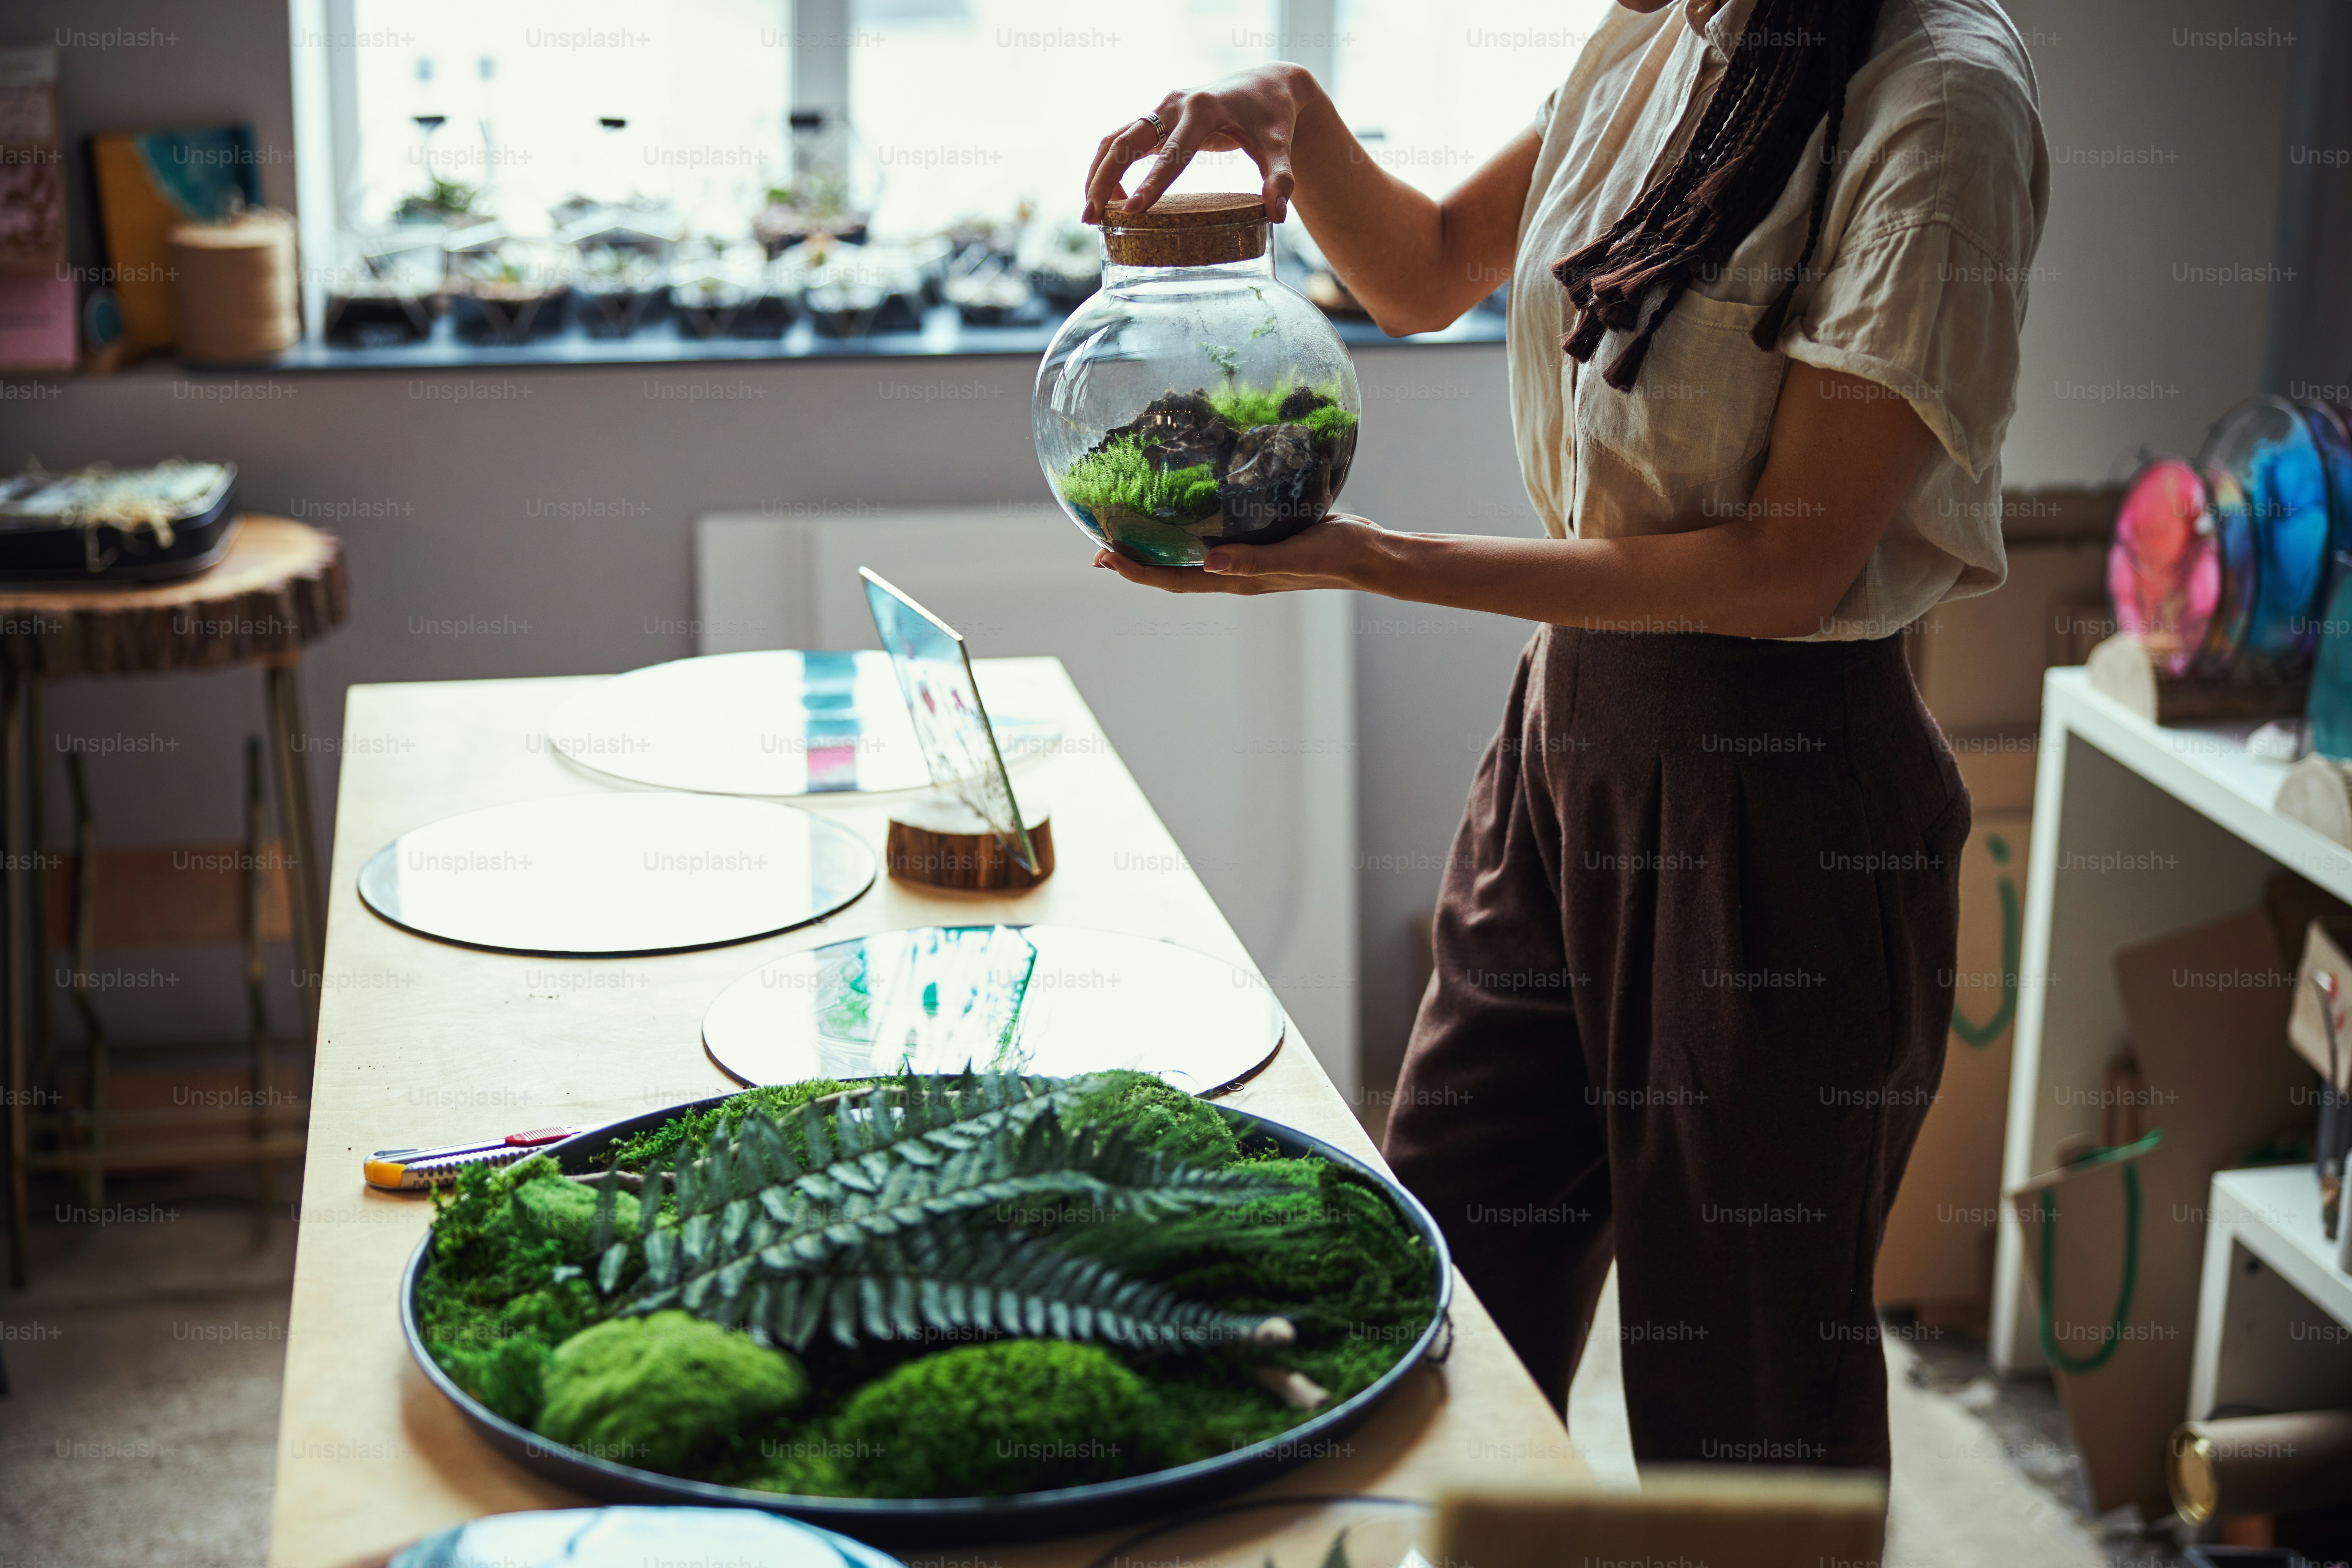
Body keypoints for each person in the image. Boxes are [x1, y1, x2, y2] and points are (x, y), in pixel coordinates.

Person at [1082, 0, 2048, 1471]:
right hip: (1562, 746)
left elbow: (1782, 572)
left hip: (1777, 798)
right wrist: (1284, 109)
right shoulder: (1669, 32)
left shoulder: (1938, 106)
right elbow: (1418, 271)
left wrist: (1377, 560)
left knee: (1742, 1395)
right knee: (1441, 1274)